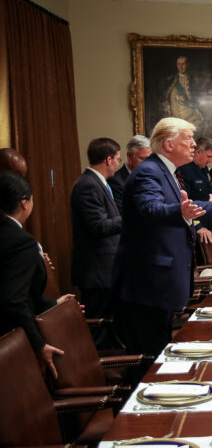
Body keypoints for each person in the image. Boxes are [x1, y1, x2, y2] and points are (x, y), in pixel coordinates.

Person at [112, 117, 212, 357]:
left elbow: (181, 207)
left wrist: (194, 209)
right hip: (148, 285)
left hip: (159, 284)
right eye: (187, 139)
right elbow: (151, 209)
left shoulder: (166, 171)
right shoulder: (147, 172)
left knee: (159, 351)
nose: (193, 144)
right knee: (150, 359)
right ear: (168, 145)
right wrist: (182, 211)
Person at [0, 171, 78, 379]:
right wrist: (39, 345)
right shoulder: (21, 242)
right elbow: (13, 301)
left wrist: (53, 304)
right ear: (24, 203)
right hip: (10, 341)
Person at [70, 138, 122, 346]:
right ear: (108, 160)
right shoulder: (87, 185)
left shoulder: (99, 183)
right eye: (117, 159)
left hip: (106, 269)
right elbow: (99, 227)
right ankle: (96, 374)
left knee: (109, 326)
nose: (118, 164)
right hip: (96, 271)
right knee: (98, 331)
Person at [176, 136, 212, 244]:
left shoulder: (204, 170)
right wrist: (198, 227)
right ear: (198, 152)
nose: (210, 160)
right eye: (208, 156)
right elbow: (186, 204)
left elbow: (210, 198)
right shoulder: (184, 171)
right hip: (193, 229)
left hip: (208, 225)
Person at [162, 55, 207, 135]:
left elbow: (197, 101)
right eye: (179, 64)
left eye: (183, 64)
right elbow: (165, 99)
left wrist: (186, 101)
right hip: (175, 119)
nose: (181, 66)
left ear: (188, 65)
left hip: (190, 118)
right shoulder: (171, 80)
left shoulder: (193, 80)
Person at [108, 135, 151, 213]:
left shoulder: (151, 176)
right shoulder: (115, 181)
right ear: (129, 157)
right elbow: (122, 214)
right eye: (142, 159)